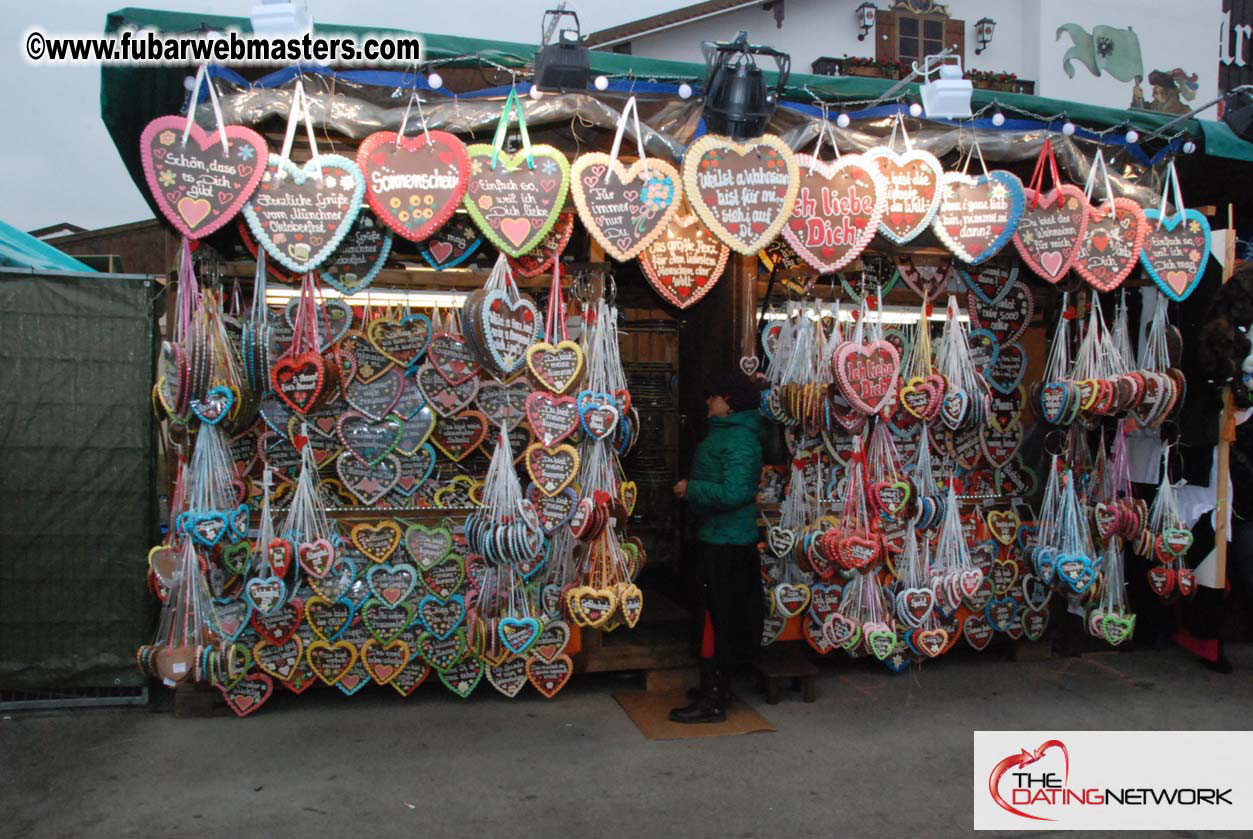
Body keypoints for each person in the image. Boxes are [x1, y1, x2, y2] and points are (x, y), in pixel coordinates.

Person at [669, 369, 767, 724]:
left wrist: (691, 489)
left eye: (714, 396)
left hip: (728, 544)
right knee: (710, 615)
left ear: (728, 403)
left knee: (717, 619)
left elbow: (735, 492)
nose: (708, 401)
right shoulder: (727, 434)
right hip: (714, 537)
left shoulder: (740, 440)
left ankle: (715, 699)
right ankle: (712, 686)